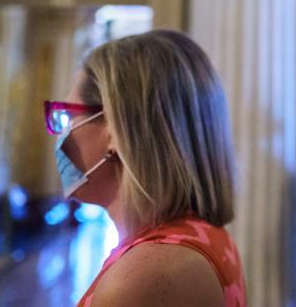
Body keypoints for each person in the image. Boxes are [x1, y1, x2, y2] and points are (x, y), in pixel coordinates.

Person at [44, 30, 245, 306]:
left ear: (115, 128)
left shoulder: (145, 275)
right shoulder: (198, 235)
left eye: (67, 115)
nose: (60, 134)